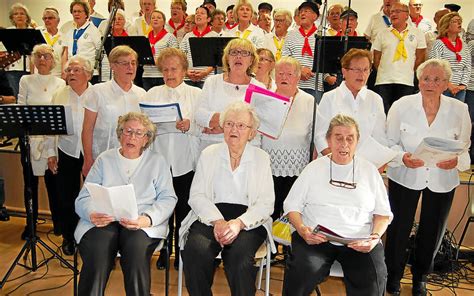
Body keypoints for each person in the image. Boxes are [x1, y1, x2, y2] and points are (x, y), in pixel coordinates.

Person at [384, 59, 471, 296]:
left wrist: (457, 162)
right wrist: (402, 157)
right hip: (406, 173)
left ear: (445, 84)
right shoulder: (401, 105)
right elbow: (389, 142)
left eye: (437, 79)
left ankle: (421, 277)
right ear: (418, 80)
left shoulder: (459, 110)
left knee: (433, 230)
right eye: (425, 79)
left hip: (442, 176)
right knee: (398, 228)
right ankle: (393, 276)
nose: (430, 83)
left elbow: (464, 147)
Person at [283, 114, 393, 296]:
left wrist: (374, 237)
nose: (344, 144)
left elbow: (383, 214)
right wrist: (302, 230)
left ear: (357, 141)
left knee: (373, 277)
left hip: (359, 241)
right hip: (317, 239)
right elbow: (292, 206)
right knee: (302, 271)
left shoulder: (369, 171)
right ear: (329, 140)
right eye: (338, 138)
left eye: (350, 138)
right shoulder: (314, 168)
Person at [75, 112, 177, 295]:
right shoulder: (104, 159)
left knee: (136, 251)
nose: (132, 137)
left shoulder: (157, 161)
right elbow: (84, 197)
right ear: (119, 134)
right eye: (127, 131)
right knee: (98, 251)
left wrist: (147, 219)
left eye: (139, 133)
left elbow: (168, 198)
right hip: (103, 220)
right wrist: (91, 213)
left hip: (140, 223)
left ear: (147, 139)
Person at [180, 101, 275, 296]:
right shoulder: (209, 154)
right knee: (195, 253)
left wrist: (239, 223)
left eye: (241, 126)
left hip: (248, 221)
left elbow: (266, 203)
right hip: (210, 216)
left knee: (239, 259)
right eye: (230, 124)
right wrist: (218, 221)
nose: (234, 129)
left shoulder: (261, 158)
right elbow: (197, 195)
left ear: (252, 133)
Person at [142, 48, 201, 270]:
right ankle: (165, 249)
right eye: (165, 69)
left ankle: (182, 251)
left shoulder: (196, 95)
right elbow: (142, 127)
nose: (169, 73)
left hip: (186, 160)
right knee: (162, 208)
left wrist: (190, 124)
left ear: (184, 70)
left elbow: (204, 127)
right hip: (160, 161)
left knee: (184, 209)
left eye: (174, 68)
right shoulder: (152, 94)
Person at [17, 44, 66, 239]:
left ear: (53, 61)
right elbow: (22, 106)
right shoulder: (26, 79)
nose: (42, 59)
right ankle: (30, 225)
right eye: (38, 56)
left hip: (51, 140)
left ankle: (59, 223)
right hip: (30, 138)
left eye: (46, 56)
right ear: (33, 60)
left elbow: (59, 110)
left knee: (53, 184)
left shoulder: (60, 83)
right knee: (29, 184)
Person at [47, 55, 92, 255]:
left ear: (88, 74)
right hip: (66, 150)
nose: (71, 74)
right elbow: (50, 126)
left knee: (92, 196)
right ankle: (69, 236)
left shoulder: (97, 94)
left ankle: (91, 238)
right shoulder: (59, 94)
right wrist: (50, 153)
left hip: (92, 151)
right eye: (69, 70)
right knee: (67, 196)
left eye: (76, 70)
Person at [315, 48, 389, 170]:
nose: (362, 74)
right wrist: (337, 161)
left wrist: (379, 164)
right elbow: (320, 136)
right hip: (332, 164)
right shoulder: (329, 98)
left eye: (366, 70)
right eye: (357, 70)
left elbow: (380, 138)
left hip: (364, 166)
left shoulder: (375, 100)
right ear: (344, 71)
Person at [261, 57, 314, 222]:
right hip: (269, 165)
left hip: (298, 166)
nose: (284, 77)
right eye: (280, 73)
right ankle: (273, 247)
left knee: (292, 212)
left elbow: (315, 133)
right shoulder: (265, 98)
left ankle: (291, 247)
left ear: (298, 77)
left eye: (289, 74)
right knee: (271, 210)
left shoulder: (309, 100)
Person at [81, 45, 145, 177]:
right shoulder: (97, 91)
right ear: (112, 66)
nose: (130, 67)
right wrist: (88, 159)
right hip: (102, 159)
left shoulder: (142, 94)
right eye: (125, 63)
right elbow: (87, 129)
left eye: (133, 63)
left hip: (133, 163)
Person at [194, 38, 263, 153]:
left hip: (247, 148)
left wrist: (222, 126)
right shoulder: (212, 82)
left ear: (251, 60)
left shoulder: (259, 88)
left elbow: (260, 124)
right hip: (212, 147)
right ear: (227, 58)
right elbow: (199, 114)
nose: (238, 56)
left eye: (245, 53)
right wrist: (239, 124)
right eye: (234, 52)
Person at [373, 2, 426, 113]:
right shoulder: (382, 33)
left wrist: (408, 70)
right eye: (391, 12)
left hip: (406, 81)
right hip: (384, 81)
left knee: (402, 114)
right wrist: (385, 71)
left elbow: (420, 58)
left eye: (397, 11)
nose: (393, 14)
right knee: (384, 113)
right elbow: (376, 58)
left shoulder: (417, 33)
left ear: (406, 15)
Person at [282, 0, 324, 103]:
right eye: (301, 11)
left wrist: (326, 76)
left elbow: (325, 60)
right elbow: (285, 58)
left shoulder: (323, 35)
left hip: (316, 85)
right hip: (293, 84)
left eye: (307, 11)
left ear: (315, 16)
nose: (302, 13)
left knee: (313, 117)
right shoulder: (290, 34)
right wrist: (299, 70)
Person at [428, 12, 471, 102]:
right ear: (447, 25)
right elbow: (435, 66)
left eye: (460, 21)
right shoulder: (439, 44)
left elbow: (467, 67)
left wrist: (462, 85)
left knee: (458, 115)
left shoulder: (464, 46)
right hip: (442, 87)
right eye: (455, 21)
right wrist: (448, 84)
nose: (459, 23)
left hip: (460, 90)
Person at [61, 0, 101, 83]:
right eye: (74, 11)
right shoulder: (70, 32)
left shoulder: (94, 31)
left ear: (86, 14)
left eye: (79, 11)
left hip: (88, 74)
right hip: (72, 73)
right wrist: (64, 70)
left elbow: (100, 51)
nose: (76, 14)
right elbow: (65, 52)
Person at [180, 6, 218, 89]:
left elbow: (217, 59)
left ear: (208, 19)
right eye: (197, 13)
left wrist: (205, 72)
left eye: (202, 13)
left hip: (207, 79)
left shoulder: (214, 36)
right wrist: (186, 72)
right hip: (188, 77)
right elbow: (181, 56)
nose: (198, 15)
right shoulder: (187, 36)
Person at [143, 10, 179, 90]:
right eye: (153, 18)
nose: (155, 19)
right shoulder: (145, 37)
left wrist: (160, 62)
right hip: (147, 75)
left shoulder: (170, 37)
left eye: (159, 18)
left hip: (163, 75)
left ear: (164, 22)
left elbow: (175, 56)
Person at [5, 3, 34, 99]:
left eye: (22, 13)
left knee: (29, 95)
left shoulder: (33, 32)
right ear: (12, 18)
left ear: (27, 17)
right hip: (13, 69)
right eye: (16, 14)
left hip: (29, 68)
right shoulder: (8, 32)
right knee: (16, 95)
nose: (19, 16)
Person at [39, 7, 63, 77]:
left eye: (50, 18)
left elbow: (65, 59)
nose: (47, 20)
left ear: (58, 20)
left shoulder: (63, 36)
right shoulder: (39, 34)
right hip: (40, 74)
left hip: (57, 75)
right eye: (45, 18)